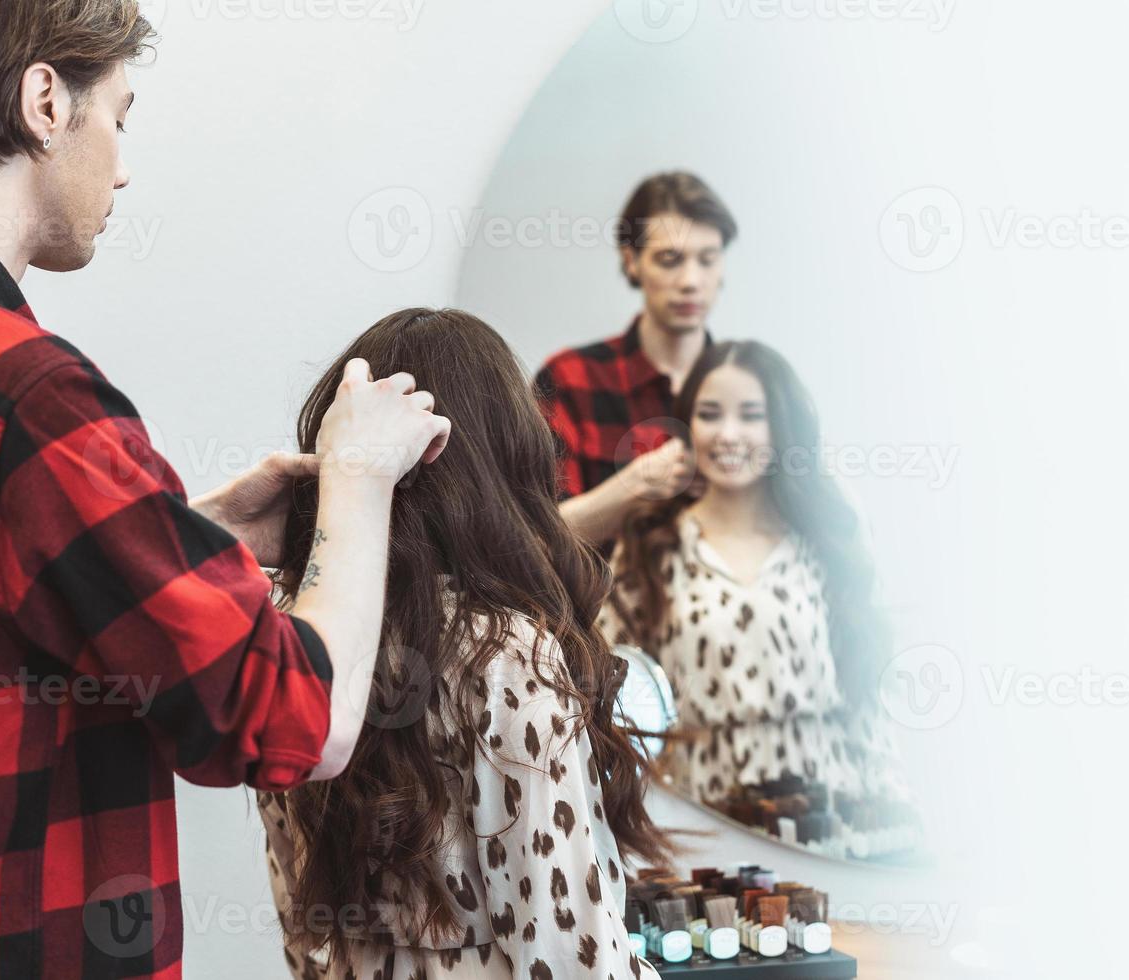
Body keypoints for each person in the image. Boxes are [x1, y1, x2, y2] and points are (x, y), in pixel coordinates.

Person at [0, 2, 448, 976]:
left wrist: (194, 531)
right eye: (121, 116)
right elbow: (300, 721)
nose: (124, 165)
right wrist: (360, 476)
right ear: (43, 102)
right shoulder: (27, 397)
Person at [258, 308, 672, 979]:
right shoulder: (505, 654)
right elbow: (568, 954)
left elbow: (304, 932)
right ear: (508, 457)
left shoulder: (295, 642)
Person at [598, 341, 920, 858]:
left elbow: (867, 707)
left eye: (752, 415)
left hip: (833, 821)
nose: (728, 434)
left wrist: (900, 829)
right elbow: (614, 697)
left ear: (781, 426)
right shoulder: (648, 546)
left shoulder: (825, 542)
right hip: (705, 821)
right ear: (687, 428)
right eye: (710, 414)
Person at [534, 171, 737, 551]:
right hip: (599, 606)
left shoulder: (748, 386)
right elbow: (536, 542)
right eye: (669, 259)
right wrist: (632, 489)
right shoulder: (570, 378)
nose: (691, 280)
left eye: (708, 259)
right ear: (632, 261)